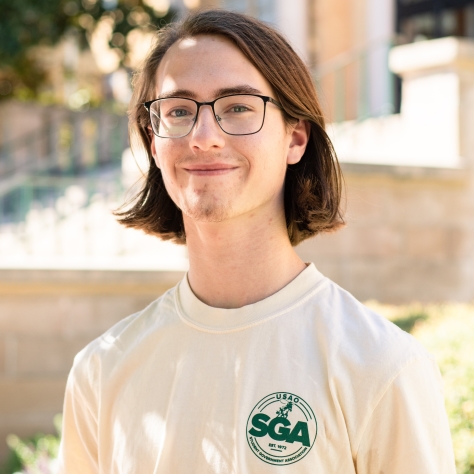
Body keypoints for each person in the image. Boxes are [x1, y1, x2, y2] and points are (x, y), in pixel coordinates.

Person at [58, 9, 455, 474]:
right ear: (153, 141)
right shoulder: (101, 371)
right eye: (180, 111)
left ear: (295, 137)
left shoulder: (383, 366)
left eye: (238, 107)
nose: (204, 137)